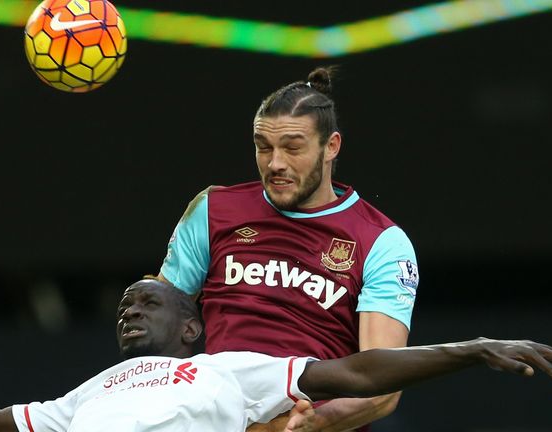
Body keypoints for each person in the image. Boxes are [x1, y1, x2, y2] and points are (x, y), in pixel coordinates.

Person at [0, 270, 552, 432]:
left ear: (191, 327)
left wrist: (471, 346)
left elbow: (356, 371)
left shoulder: (231, 367)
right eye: (124, 301)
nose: (130, 305)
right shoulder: (87, 394)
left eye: (149, 300)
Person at [159, 67, 418, 430]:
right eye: (263, 147)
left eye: (292, 148)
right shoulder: (212, 210)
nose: (275, 163)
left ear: (331, 146)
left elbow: (384, 387)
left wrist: (309, 425)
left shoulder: (381, 241)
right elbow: (161, 331)